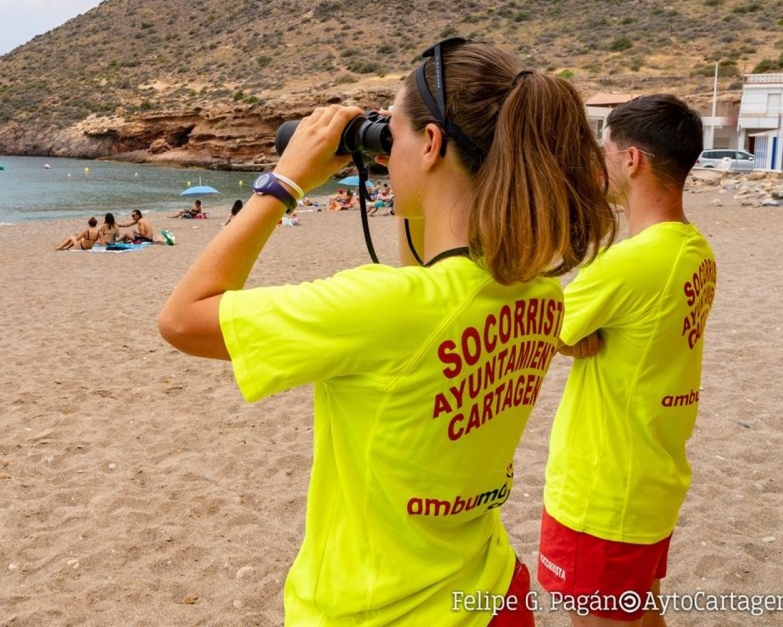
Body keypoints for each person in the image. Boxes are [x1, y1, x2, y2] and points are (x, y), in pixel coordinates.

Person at [159, 38, 617, 625]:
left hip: (379, 610)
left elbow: (182, 319)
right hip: (493, 592)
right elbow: (432, 283)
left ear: (432, 144)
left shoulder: (384, 308)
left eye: (393, 134)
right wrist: (412, 172)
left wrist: (284, 182)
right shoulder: (537, 292)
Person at [539, 95, 715, 627]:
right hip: (652, 473)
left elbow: (538, 327)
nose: (601, 161)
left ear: (632, 159)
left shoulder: (628, 264)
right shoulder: (695, 251)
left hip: (602, 489)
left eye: (606, 149)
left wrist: (565, 337)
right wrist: (572, 336)